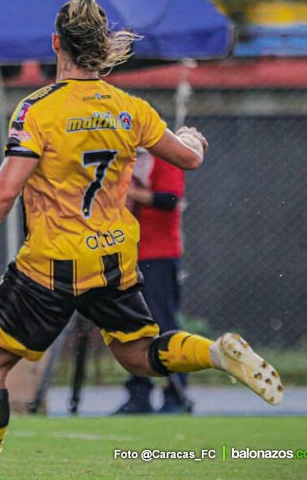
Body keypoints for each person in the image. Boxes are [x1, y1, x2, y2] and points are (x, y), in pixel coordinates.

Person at [0, 0, 283, 479]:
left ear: (56, 44)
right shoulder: (129, 108)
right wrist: (193, 137)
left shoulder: (38, 110)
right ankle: (216, 352)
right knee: (138, 354)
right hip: (113, 259)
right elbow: (188, 158)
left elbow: (5, 188)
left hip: (50, 264)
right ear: (100, 47)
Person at [115, 148, 193, 414]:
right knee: (129, 322)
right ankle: (138, 395)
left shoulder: (164, 158)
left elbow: (169, 199)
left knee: (163, 320)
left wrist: (126, 193)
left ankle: (176, 393)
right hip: (126, 252)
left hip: (159, 254)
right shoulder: (121, 158)